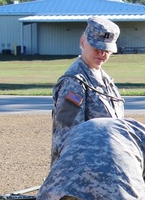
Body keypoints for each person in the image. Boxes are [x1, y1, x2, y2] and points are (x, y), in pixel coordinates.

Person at [50, 16, 123, 164]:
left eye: (107, 50)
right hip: (83, 172)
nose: (102, 54)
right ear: (83, 42)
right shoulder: (74, 82)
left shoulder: (105, 79)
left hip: (105, 164)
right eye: (97, 48)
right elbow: (68, 137)